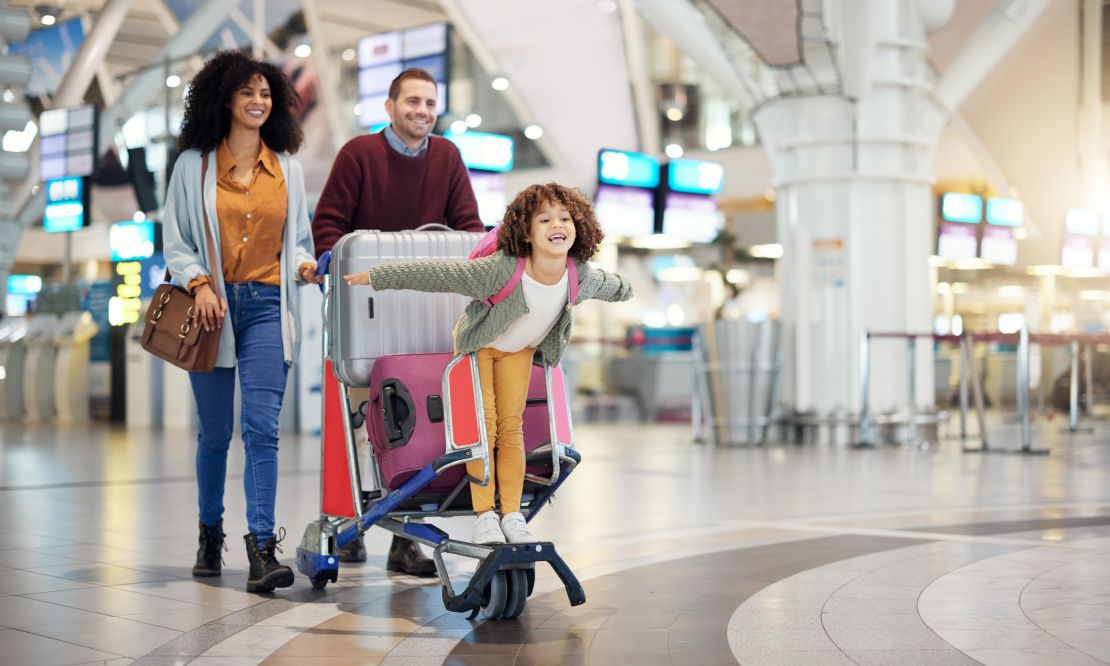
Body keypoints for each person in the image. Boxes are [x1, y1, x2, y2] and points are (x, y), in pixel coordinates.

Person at [344, 183, 633, 544]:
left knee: (512, 428)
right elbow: (440, 275)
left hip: (519, 350)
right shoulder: (502, 269)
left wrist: (627, 289)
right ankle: (485, 516)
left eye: (564, 218)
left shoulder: (579, 275)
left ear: (579, 226)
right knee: (483, 428)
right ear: (526, 232)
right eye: (544, 219)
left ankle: (511, 514)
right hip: (480, 347)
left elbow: (612, 285)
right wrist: (378, 276)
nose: (557, 225)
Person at [312, 67, 483, 573]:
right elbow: (327, 227)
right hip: (364, 312)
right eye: (412, 101)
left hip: (424, 312)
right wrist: (327, 259)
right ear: (389, 107)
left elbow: (469, 228)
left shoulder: (448, 157)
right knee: (359, 423)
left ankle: (401, 536)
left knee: (411, 424)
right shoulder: (358, 155)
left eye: (430, 103)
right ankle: (345, 521)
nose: (423, 112)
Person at [163, 50, 319, 594]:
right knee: (214, 434)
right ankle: (210, 533)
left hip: (269, 309)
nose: (258, 101)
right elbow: (177, 241)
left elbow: (299, 239)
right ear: (224, 98)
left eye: (266, 93)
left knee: (262, 430)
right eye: (247, 92)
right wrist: (199, 283)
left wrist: (305, 265)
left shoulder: (289, 170)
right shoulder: (193, 165)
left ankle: (261, 550)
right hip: (211, 310)